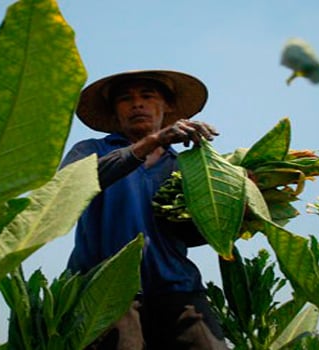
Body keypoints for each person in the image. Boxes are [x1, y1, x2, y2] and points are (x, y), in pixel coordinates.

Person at [60, 70, 229, 350]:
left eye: (147, 96)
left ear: (168, 107)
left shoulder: (184, 165)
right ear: (115, 112)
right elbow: (66, 189)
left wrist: (237, 205)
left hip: (179, 289)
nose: (137, 104)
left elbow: (189, 234)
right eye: (126, 99)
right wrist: (153, 141)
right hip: (105, 292)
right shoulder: (92, 150)